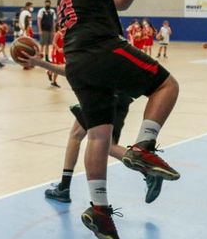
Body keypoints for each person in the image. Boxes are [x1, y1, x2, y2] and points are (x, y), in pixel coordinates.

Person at [26, 0, 179, 239]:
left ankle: (99, 209)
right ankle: (143, 147)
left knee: (97, 134)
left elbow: (120, 3)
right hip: (101, 49)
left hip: (77, 62)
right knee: (166, 85)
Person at [37, 61, 163, 205]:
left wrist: (38, 62)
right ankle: (150, 169)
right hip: (121, 95)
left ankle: (64, 187)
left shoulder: (85, 45)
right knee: (108, 145)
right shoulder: (107, 45)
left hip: (101, 97)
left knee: (77, 136)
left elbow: (71, 71)